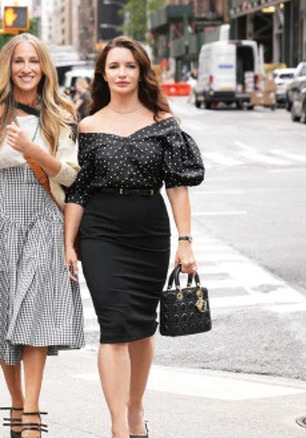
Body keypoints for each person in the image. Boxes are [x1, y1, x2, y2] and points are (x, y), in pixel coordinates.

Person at [63, 36, 205, 438]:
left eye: (129, 66)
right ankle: (118, 427)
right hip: (101, 230)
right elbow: (78, 190)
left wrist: (185, 240)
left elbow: (177, 186)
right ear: (103, 74)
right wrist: (67, 243)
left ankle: (136, 407)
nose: (122, 73)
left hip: (149, 229)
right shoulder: (87, 126)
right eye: (114, 66)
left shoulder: (164, 124)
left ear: (141, 72)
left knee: (142, 327)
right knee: (114, 325)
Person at [0, 33, 84, 438]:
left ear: (44, 67)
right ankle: (15, 403)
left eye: (34, 61)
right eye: (18, 61)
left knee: (35, 312)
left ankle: (32, 413)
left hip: (43, 215)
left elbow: (70, 174)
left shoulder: (60, 112)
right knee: (2, 314)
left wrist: (31, 147)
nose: (26, 68)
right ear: (7, 67)